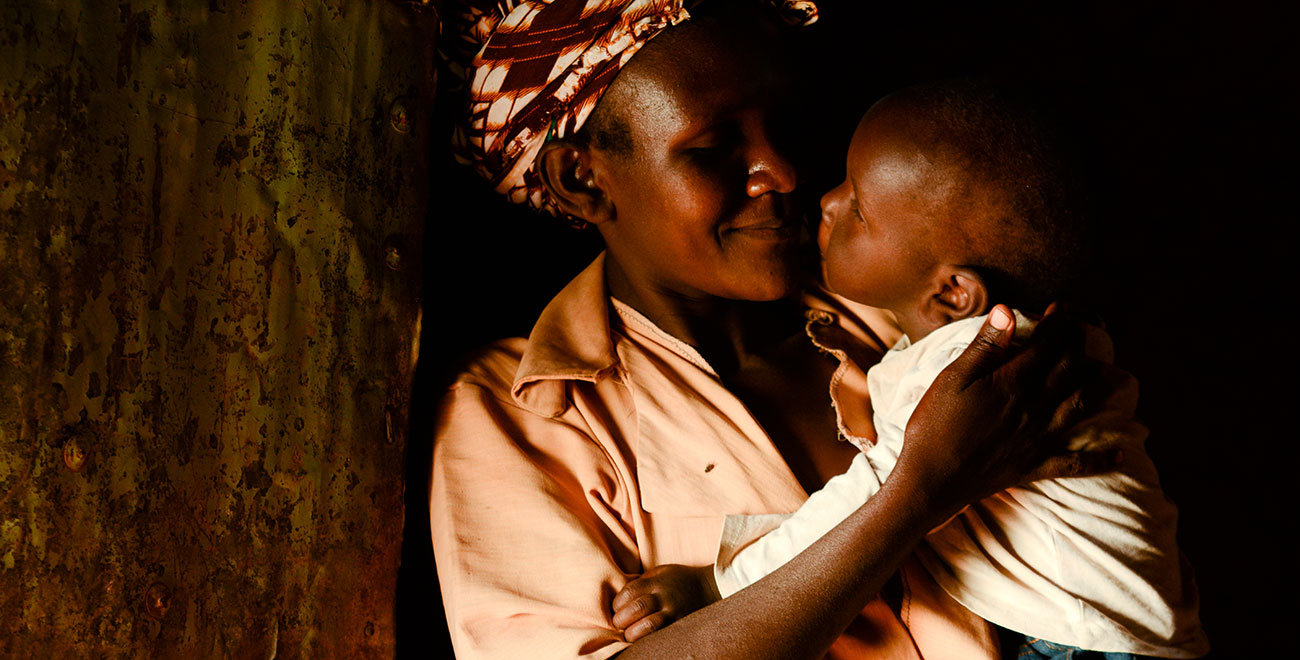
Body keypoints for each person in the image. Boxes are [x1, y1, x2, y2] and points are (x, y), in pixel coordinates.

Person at [431, 2, 1125, 658]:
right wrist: (918, 492)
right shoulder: (523, 413)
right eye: (714, 146)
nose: (783, 172)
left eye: (785, 126)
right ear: (582, 181)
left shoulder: (910, 309)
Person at [609, 81, 1210, 659]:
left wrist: (722, 585)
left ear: (951, 295)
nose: (823, 200)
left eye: (860, 212)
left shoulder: (968, 367)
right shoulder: (1029, 338)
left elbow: (872, 503)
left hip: (1083, 643)